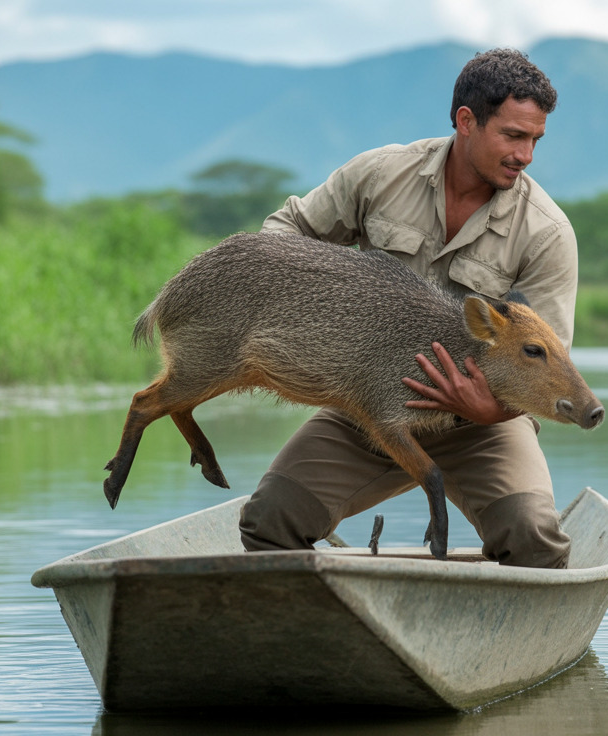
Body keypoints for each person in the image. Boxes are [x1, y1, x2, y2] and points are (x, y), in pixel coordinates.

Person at [237, 48, 579, 569]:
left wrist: (487, 409)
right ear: (466, 121)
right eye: (513, 135)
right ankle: (317, 636)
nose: (526, 154)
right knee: (269, 522)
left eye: (535, 139)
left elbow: (549, 369)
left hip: (482, 426)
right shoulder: (379, 175)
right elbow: (281, 237)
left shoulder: (547, 233)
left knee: (533, 540)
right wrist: (317, 313)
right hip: (370, 407)